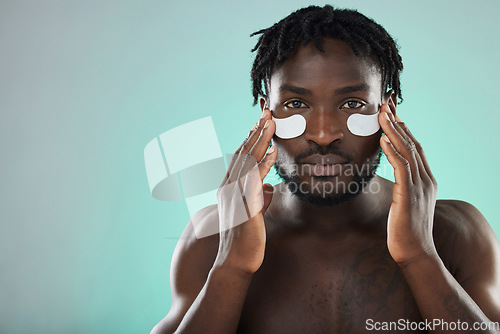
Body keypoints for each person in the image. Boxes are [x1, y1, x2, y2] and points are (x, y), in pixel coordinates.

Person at [151, 5, 500, 333]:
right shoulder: (211, 236)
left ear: (387, 112)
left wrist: (420, 256)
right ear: (266, 115)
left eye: (352, 103)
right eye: (296, 103)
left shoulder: (456, 233)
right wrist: (231, 268)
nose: (323, 134)